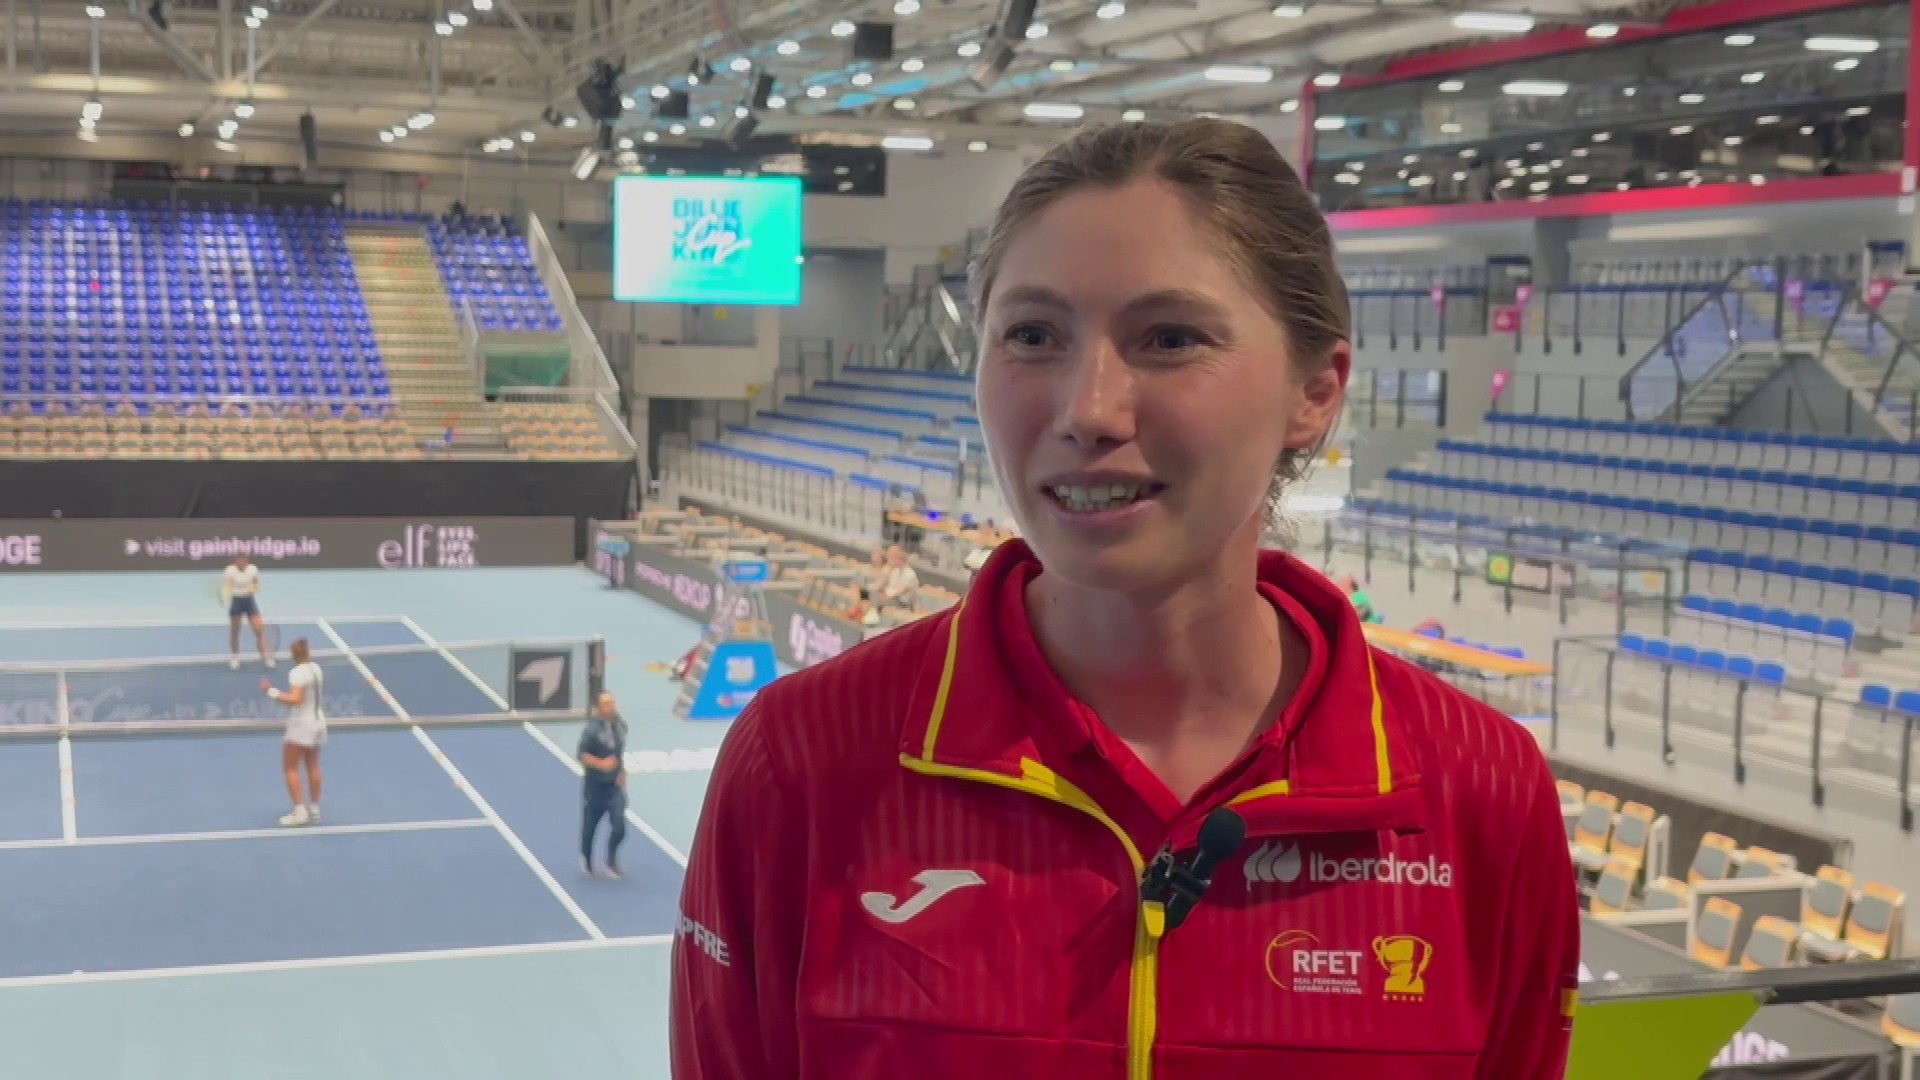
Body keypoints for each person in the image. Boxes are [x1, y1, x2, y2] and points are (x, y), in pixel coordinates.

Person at [672, 120, 1579, 1077]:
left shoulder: (1479, 790)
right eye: (1032, 336)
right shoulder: (805, 761)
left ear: (1314, 392)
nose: (1089, 410)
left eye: (1171, 338)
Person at [261, 638, 324, 827]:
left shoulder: (297, 673)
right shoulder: (316, 669)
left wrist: (271, 691)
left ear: (293, 655)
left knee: (290, 768)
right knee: (313, 766)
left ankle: (300, 812)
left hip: (301, 725)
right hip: (319, 723)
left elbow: (295, 700)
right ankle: (314, 809)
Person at [577, 692, 628, 879]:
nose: (611, 706)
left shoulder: (620, 726)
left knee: (619, 826)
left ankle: (611, 861)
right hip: (595, 788)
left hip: (614, 787)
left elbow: (619, 752)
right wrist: (602, 764)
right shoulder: (591, 730)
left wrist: (622, 771)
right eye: (606, 703)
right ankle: (587, 858)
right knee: (589, 828)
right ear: (599, 708)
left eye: (612, 702)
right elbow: (582, 755)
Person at [223, 554, 272, 670]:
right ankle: (235, 657)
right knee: (235, 632)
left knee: (259, 630)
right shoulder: (229, 571)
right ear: (235, 560)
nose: (241, 562)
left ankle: (266, 656)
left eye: (244, 559)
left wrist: (253, 589)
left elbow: (257, 585)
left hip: (249, 602)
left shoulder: (253, 569)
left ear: (247, 560)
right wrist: (225, 595)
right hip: (236, 602)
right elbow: (228, 586)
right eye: (239, 559)